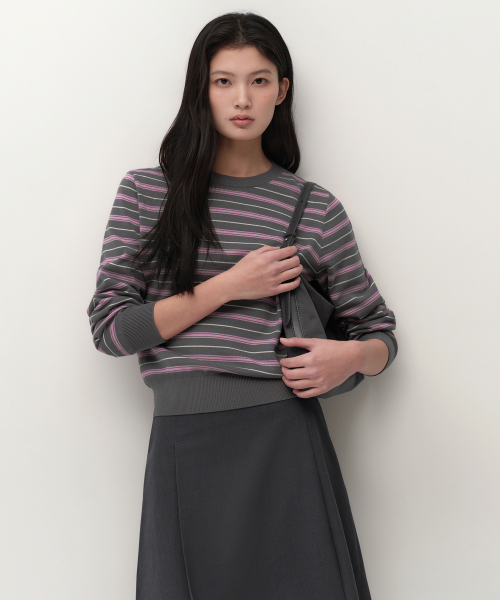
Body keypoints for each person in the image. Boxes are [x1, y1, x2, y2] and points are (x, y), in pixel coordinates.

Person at [87, 11, 397, 600]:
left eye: (259, 81)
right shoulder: (146, 193)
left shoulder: (312, 208)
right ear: (200, 89)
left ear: (281, 90)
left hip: (285, 438)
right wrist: (228, 285)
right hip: (184, 444)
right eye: (223, 80)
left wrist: (352, 358)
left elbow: (379, 332)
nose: (242, 99)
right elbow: (111, 330)